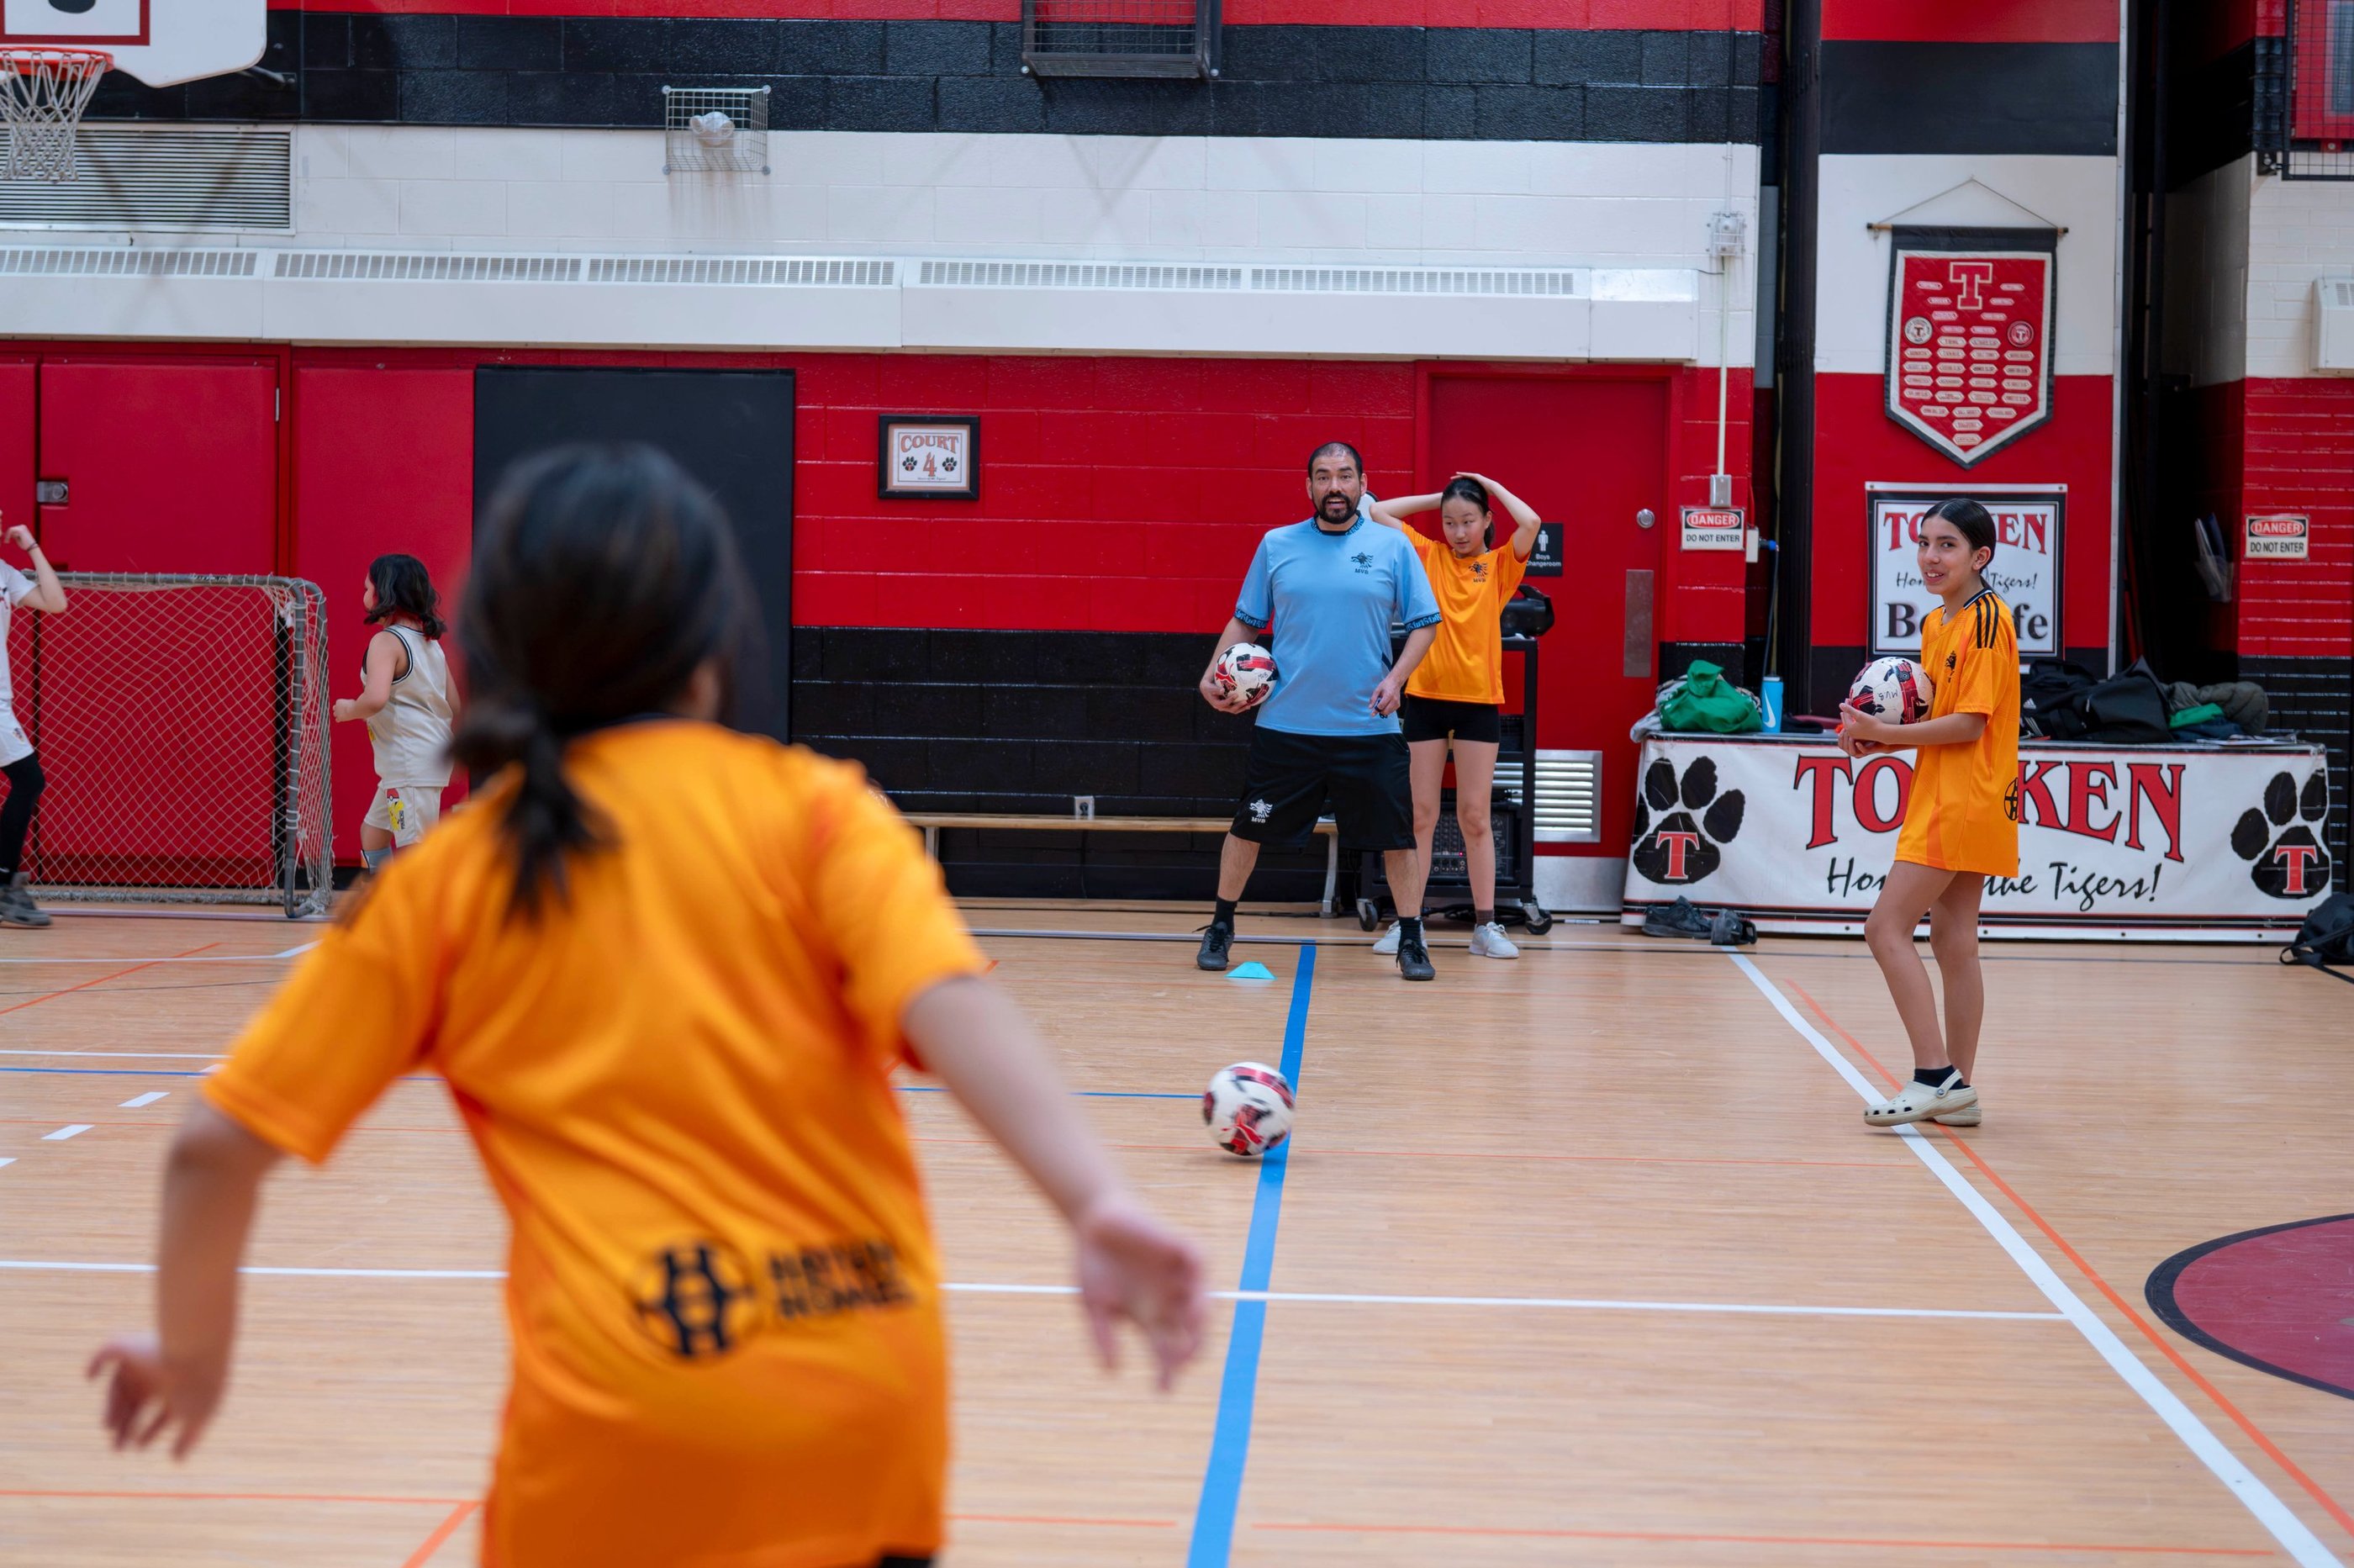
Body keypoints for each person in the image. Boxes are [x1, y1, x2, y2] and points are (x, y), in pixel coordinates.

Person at [87, 446, 1205, 1568]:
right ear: (713, 639)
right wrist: (1093, 1197)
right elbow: (953, 1002)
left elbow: (209, 1150)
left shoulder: (448, 881)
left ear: (509, 645)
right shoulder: (818, 813)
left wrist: (192, 1353)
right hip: (857, 1411)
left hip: (609, 1454)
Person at [1196, 441, 1443, 980]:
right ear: (1307, 486)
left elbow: (1425, 621)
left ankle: (1412, 938)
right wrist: (1211, 673)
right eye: (1324, 476)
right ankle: (1221, 925)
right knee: (1247, 829)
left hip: (1367, 726)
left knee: (1398, 837)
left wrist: (1397, 679)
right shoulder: (1276, 545)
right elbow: (1246, 620)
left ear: (1361, 482)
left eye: (1345, 476)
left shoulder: (1392, 545)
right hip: (1286, 725)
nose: (1335, 486)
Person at [1836, 497, 2020, 1130]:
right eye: (1924, 542)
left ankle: (1933, 1074)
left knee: (1885, 928)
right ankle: (1958, 1089)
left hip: (1962, 798)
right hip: (1960, 793)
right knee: (1953, 941)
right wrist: (1877, 736)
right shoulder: (1942, 621)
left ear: (1980, 557)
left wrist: (1887, 737)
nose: (1931, 556)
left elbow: (1970, 724)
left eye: (1947, 544)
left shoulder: (1987, 621)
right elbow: (1937, 721)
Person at [1364, 473, 1543, 960]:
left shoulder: (1501, 565)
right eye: (1449, 522)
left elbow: (1530, 521)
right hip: (1423, 698)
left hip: (1478, 704)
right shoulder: (1429, 555)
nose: (1458, 531)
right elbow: (1376, 511)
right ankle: (1408, 925)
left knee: (1474, 817)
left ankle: (1487, 927)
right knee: (1419, 816)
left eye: (1468, 521)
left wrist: (1489, 483)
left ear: (1486, 521)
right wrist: (1439, 496)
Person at [332, 554, 456, 874]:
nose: (363, 595)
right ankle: (385, 899)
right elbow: (454, 703)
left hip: (410, 762)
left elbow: (374, 699)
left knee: (415, 848)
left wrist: (349, 709)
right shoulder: (430, 644)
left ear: (383, 593)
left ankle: (421, 916)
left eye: (366, 587)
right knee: (373, 833)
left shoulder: (386, 642)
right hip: (413, 763)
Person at [0, 520, 66, 930]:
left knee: (28, 780)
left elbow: (56, 603)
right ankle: (6, 884)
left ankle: (5, 882)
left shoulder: (6, 574)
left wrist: (33, 548)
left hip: (0, 701)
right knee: (29, 779)